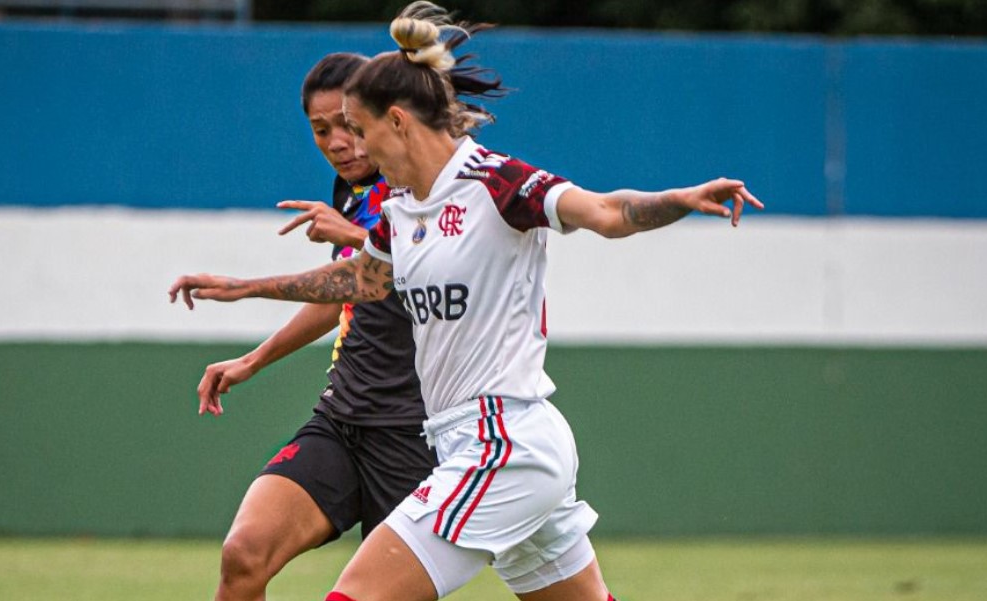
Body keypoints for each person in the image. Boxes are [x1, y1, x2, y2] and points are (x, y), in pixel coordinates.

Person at [170, 3, 764, 599]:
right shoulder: (400, 211)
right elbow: (359, 282)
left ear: (397, 122)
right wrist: (246, 288)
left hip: (503, 445)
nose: (352, 145)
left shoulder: (498, 183)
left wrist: (683, 198)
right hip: (466, 442)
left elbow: (607, 212)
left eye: (360, 128)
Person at [196, 53, 436, 601]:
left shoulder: (422, 188)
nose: (336, 141)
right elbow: (342, 295)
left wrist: (351, 237)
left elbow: (415, 266)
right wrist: (252, 360)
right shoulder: (350, 193)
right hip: (343, 419)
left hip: (416, 437)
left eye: (349, 126)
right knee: (243, 554)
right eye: (320, 129)